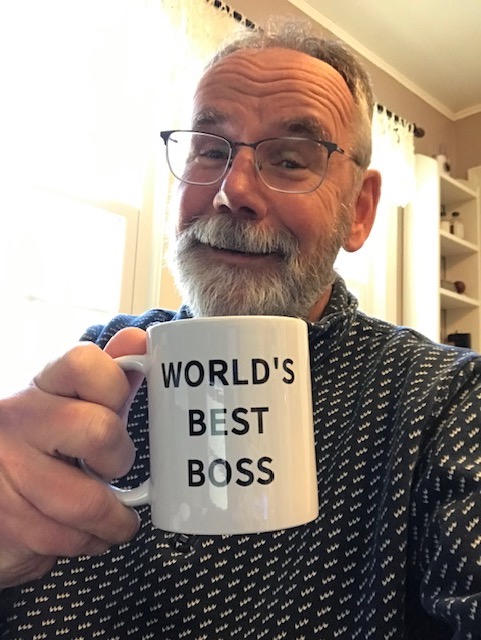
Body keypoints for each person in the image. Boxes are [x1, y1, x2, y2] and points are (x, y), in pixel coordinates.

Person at [1, 16, 481, 640]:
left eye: (290, 159)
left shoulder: (446, 402)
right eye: (209, 149)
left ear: (358, 212)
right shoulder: (101, 366)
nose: (233, 191)